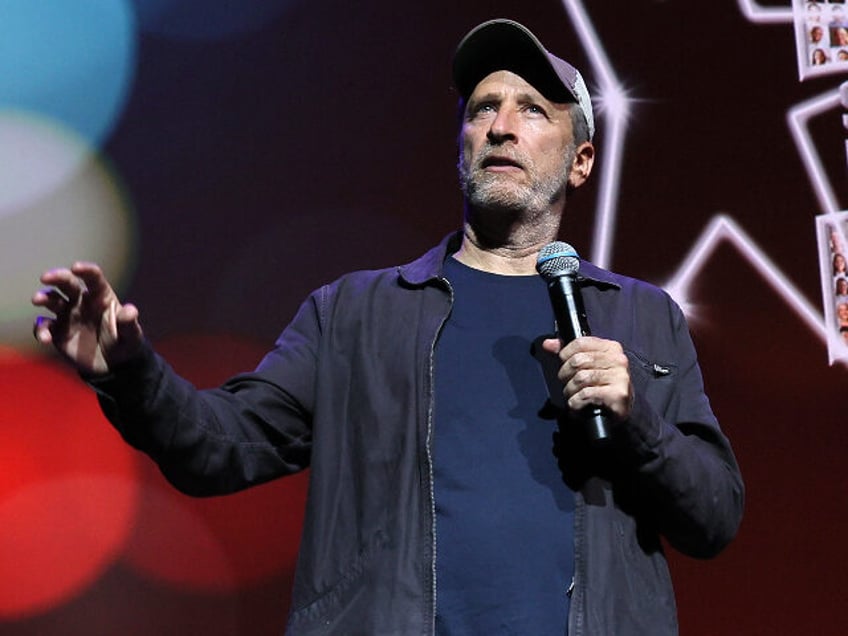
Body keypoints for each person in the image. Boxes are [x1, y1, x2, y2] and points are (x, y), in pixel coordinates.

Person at [32, 18, 743, 636]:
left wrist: (635, 419)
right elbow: (220, 449)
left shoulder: (639, 316)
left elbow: (712, 517)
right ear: (459, 144)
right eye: (483, 108)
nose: (500, 125)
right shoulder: (355, 313)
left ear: (581, 160)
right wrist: (128, 370)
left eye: (532, 109)